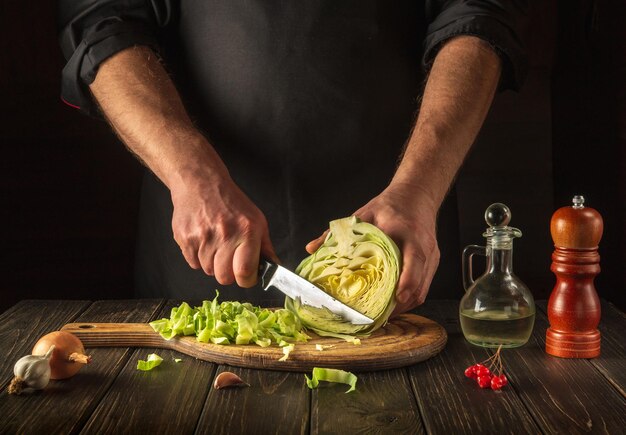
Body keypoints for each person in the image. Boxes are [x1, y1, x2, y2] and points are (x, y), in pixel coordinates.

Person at [58, 1, 529, 313]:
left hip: (402, 247)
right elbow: (103, 20)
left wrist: (420, 188)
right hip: (201, 265)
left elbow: (480, 12)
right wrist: (191, 175)